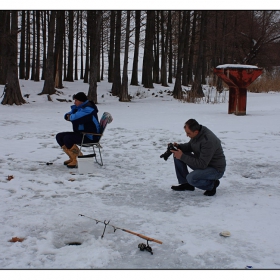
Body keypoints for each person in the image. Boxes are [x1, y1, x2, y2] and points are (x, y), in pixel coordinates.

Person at [170, 119, 226, 196]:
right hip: (203, 163)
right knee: (177, 154)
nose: (187, 135)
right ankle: (186, 184)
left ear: (196, 132)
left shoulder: (208, 141)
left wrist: (182, 156)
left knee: (191, 178)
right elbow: (190, 146)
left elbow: (202, 164)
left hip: (215, 169)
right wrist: (179, 147)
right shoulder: (198, 133)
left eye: (188, 133)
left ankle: (212, 185)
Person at [56, 92, 100, 168]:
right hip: (82, 134)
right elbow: (67, 115)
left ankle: (77, 159)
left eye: (76, 100)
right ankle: (72, 157)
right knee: (59, 136)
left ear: (81, 101)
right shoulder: (81, 108)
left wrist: (70, 116)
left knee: (68, 138)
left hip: (90, 136)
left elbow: (75, 118)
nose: (74, 102)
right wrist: (70, 116)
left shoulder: (88, 109)